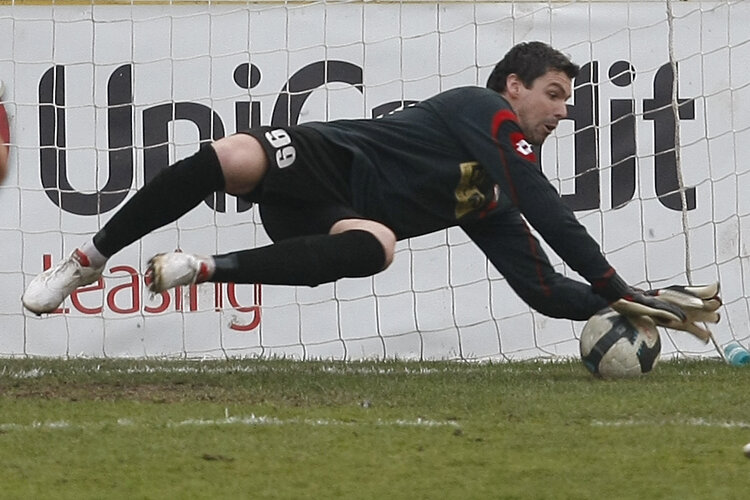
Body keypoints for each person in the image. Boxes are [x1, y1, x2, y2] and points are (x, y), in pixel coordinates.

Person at [22, 41, 720, 340]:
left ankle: (200, 269)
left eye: (567, 99)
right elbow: (545, 205)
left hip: (329, 218)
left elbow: (541, 289)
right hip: (321, 159)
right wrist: (614, 283)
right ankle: (89, 258)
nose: (563, 110)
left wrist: (632, 304)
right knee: (228, 154)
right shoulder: (482, 110)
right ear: (514, 87)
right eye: (555, 93)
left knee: (378, 246)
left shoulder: (489, 195)